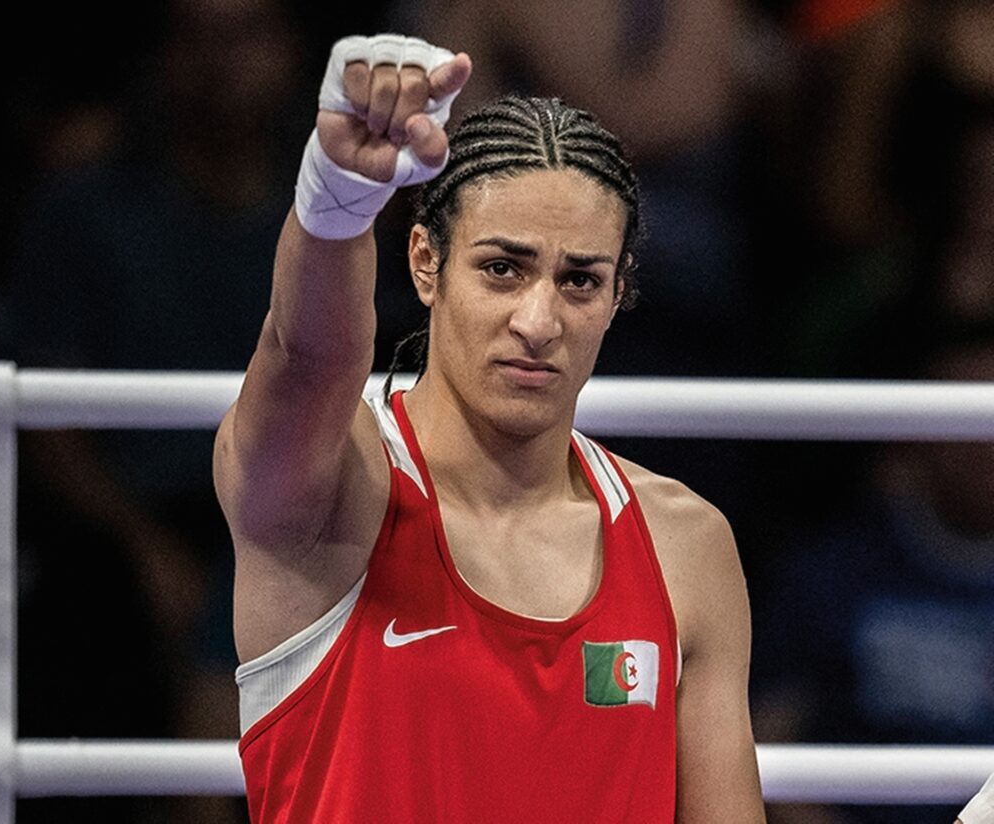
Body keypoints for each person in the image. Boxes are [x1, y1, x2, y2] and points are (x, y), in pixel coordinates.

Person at [214, 33, 765, 822]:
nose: (538, 321)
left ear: (617, 296)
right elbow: (308, 360)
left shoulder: (685, 545)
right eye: (503, 268)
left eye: (579, 280)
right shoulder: (333, 489)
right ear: (425, 262)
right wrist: (336, 199)